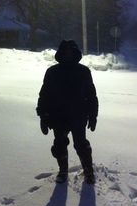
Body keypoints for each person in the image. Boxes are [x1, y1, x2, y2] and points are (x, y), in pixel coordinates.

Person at [36, 40, 98, 184]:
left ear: (76, 54)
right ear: (61, 53)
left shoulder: (83, 71)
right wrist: (43, 116)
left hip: (78, 116)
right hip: (58, 116)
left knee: (81, 145)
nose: (68, 55)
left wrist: (93, 115)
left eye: (71, 52)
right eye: (65, 52)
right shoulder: (52, 72)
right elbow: (44, 95)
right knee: (59, 145)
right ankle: (63, 171)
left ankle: (88, 172)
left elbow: (91, 95)